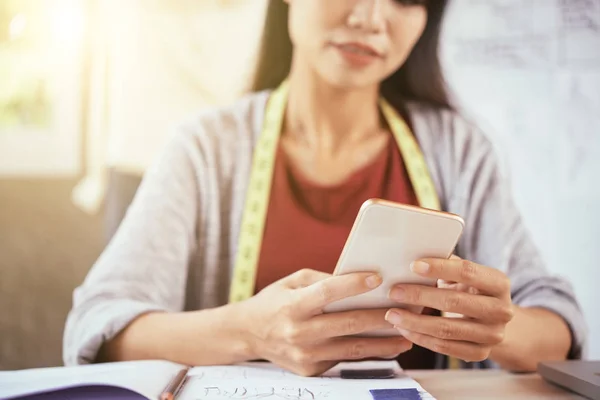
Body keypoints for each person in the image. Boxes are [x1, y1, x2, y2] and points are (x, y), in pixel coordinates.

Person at [63, 0, 586, 376]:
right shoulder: (206, 149)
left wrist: (501, 328)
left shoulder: (458, 150)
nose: (371, 17)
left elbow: (558, 326)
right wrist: (249, 331)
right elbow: (98, 326)